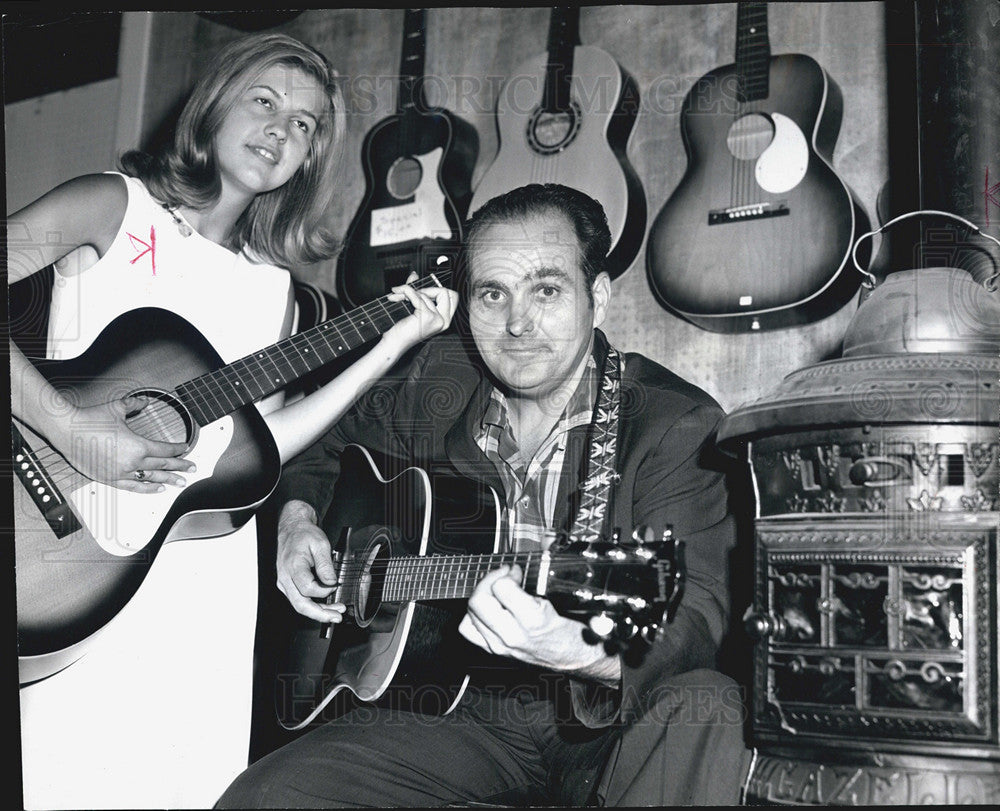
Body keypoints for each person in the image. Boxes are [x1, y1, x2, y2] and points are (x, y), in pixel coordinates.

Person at [10, 33, 457, 809]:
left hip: (205, 587)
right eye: (265, 102)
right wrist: (75, 430)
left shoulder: (274, 290)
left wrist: (391, 344)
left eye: (307, 126)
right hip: (76, 543)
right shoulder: (112, 205)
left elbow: (261, 449)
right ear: (213, 106)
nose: (283, 130)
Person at [217, 183, 751, 808]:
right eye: (492, 294)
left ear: (597, 297)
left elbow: (694, 619)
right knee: (268, 797)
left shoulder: (673, 423)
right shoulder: (439, 382)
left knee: (708, 703)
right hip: (454, 704)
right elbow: (321, 439)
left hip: (602, 721)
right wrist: (296, 521)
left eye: (546, 290)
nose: (517, 324)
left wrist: (583, 650)